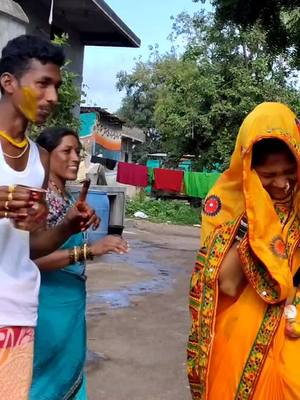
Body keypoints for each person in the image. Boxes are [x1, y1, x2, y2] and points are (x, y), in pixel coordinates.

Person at [0, 35, 97, 399]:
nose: (53, 97)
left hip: (18, 313)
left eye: (56, 86)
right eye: (42, 84)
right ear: (8, 82)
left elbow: (33, 247)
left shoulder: (37, 162)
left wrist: (69, 224)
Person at [187, 102, 300, 399]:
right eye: (268, 174)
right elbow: (226, 283)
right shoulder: (224, 206)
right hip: (241, 346)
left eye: (290, 171)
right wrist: (256, 218)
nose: (282, 184)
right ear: (248, 168)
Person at [30, 127, 128, 400]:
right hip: (47, 306)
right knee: (41, 383)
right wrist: (89, 250)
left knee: (68, 376)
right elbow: (33, 260)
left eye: (78, 151)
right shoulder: (39, 203)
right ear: (45, 156)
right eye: (66, 151)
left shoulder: (69, 198)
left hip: (71, 307)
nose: (75, 158)